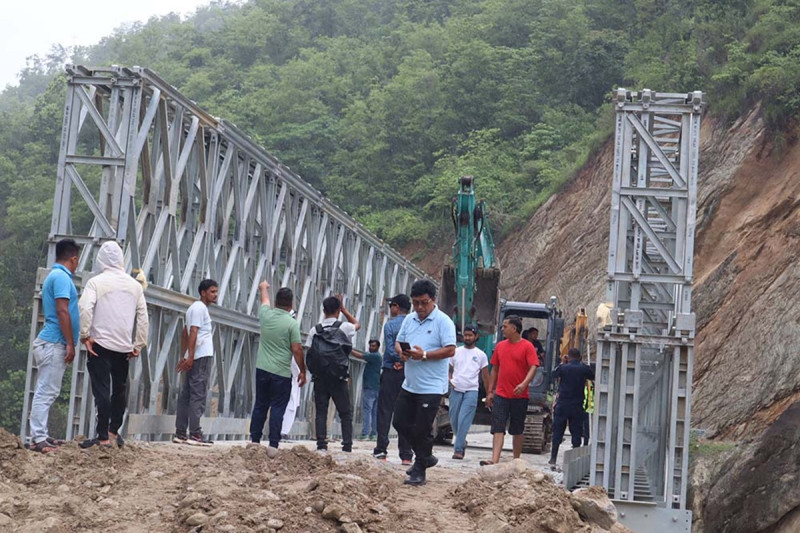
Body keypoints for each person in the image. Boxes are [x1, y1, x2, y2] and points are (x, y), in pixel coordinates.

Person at [78, 241, 149, 449]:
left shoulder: (96, 283)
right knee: (119, 390)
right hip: (123, 348)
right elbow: (143, 317)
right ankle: (113, 431)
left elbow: (85, 308)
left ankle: (102, 437)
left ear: (101, 259)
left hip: (99, 345)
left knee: (102, 391)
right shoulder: (135, 286)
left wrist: (85, 335)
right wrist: (139, 344)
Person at [393, 280, 457, 486]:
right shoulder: (409, 320)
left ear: (433, 300)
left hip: (432, 386)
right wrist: (401, 352)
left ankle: (419, 470)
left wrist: (425, 355)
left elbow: (450, 350)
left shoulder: (443, 321)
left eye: (424, 303)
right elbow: (398, 341)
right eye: (416, 303)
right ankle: (426, 457)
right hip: (410, 383)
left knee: (422, 428)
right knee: (400, 422)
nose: (420, 308)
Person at [28, 239, 81, 453]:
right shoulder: (60, 277)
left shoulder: (57, 275)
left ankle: (41, 434)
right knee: (46, 391)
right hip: (54, 341)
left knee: (48, 389)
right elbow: (62, 311)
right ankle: (38, 437)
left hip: (52, 341)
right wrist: (69, 342)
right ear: (73, 258)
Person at [250, 283, 306, 453]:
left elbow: (264, 299)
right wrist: (303, 370)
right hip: (281, 373)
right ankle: (273, 444)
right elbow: (297, 349)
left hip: (262, 368)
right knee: (277, 408)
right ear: (291, 305)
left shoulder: (266, 315)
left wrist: (263, 287)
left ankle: (255, 441)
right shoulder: (292, 324)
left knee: (260, 405)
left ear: (276, 302)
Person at [482, 315, 539, 466]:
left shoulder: (527, 347)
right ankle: (494, 460)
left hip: (520, 396)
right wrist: (490, 391)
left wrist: (524, 384)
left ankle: (516, 460)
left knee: (517, 429)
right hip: (501, 394)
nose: (502, 329)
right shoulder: (500, 346)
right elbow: (494, 369)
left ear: (514, 329)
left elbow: (534, 366)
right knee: (498, 427)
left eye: (505, 326)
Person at [307, 295, 360, 452]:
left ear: (323, 311)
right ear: (338, 311)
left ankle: (321, 444)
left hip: (320, 377)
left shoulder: (314, 330)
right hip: (339, 376)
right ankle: (347, 445)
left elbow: (310, 352)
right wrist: (345, 310)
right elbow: (358, 324)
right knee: (345, 412)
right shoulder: (345, 327)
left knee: (321, 411)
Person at [173, 279, 218, 446]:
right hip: (201, 356)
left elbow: (185, 332)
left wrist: (185, 354)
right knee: (197, 394)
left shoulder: (193, 308)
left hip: (194, 355)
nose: (215, 295)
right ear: (203, 293)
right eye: (212, 292)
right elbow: (193, 331)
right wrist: (190, 356)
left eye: (216, 292)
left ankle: (181, 432)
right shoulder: (200, 308)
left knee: (187, 395)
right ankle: (195, 434)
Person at [373, 294, 413, 464]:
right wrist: (404, 362)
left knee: (385, 411)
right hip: (409, 372)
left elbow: (390, 349)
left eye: (391, 306)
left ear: (397, 307)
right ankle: (406, 454)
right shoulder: (413, 324)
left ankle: (381, 449)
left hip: (391, 370)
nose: (390, 309)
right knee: (405, 413)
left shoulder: (390, 325)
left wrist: (397, 361)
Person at [549, 348, 595, 468]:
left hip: (562, 405)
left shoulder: (563, 368)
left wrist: (563, 363)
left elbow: (553, 374)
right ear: (579, 357)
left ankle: (553, 458)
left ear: (568, 357)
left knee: (558, 431)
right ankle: (574, 459)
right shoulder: (583, 368)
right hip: (577, 406)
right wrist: (583, 364)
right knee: (576, 432)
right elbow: (592, 375)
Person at [448, 325, 489, 459]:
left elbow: (485, 376)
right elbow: (449, 369)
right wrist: (450, 380)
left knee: (464, 419)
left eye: (470, 335)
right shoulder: (456, 351)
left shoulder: (481, 355)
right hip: (456, 389)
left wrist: (489, 393)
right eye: (465, 335)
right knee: (454, 419)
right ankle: (461, 440)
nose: (467, 337)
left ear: (476, 337)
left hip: (471, 391)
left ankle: (458, 450)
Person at [353, 339, 382, 440]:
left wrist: (347, 349)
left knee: (367, 410)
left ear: (378, 347)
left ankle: (365, 433)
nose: (371, 347)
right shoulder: (377, 356)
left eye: (373, 346)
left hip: (370, 387)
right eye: (370, 346)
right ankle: (373, 433)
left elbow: (359, 356)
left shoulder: (375, 356)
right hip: (377, 387)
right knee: (374, 411)